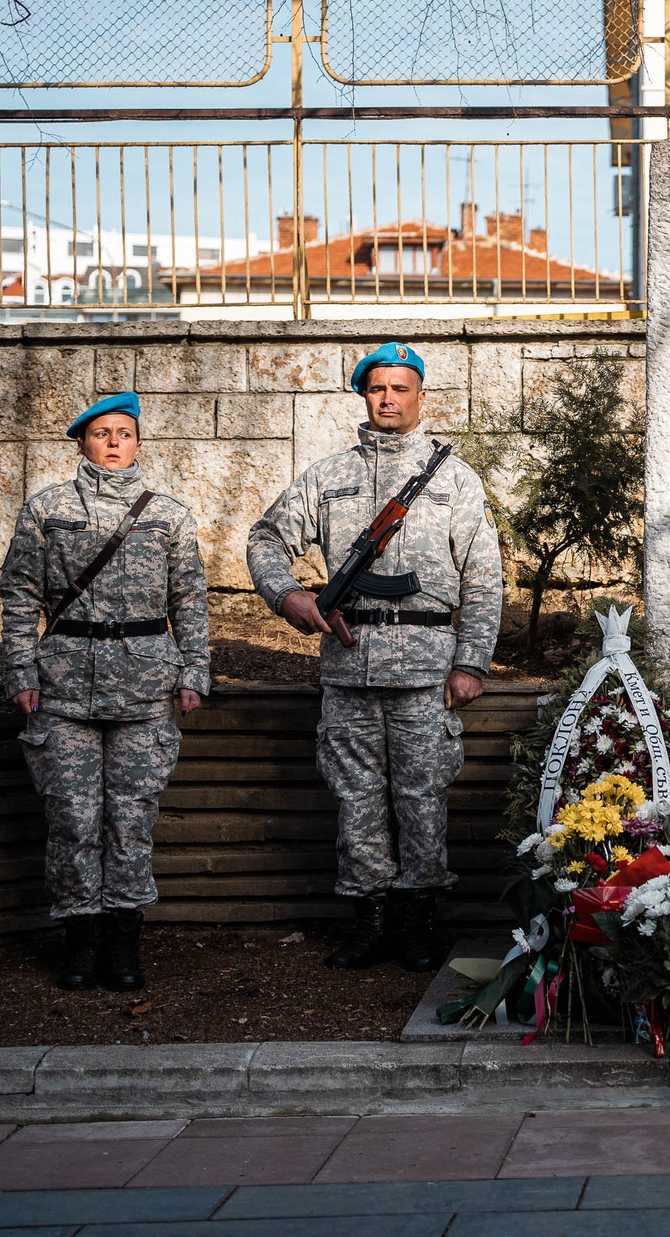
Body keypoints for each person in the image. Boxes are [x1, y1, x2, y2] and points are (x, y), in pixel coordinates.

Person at [247, 341, 503, 973]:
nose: (388, 399)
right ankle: (368, 922)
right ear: (364, 394)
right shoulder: (329, 477)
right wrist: (289, 597)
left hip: (425, 668)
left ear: (420, 395)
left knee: (421, 796)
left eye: (400, 388)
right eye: (377, 388)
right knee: (357, 796)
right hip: (349, 661)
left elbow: (484, 575)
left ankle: (419, 922)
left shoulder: (453, 479)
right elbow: (265, 537)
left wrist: (470, 662)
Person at [0, 391, 210, 993]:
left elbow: (189, 600)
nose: (114, 442)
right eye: (102, 433)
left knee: (132, 819)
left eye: (124, 432)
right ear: (83, 442)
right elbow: (20, 597)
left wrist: (195, 671)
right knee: (72, 818)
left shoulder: (168, 514)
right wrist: (21, 673)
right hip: (64, 688)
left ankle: (123, 940)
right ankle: (80, 941)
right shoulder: (47, 509)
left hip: (145, 687)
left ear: (139, 441)